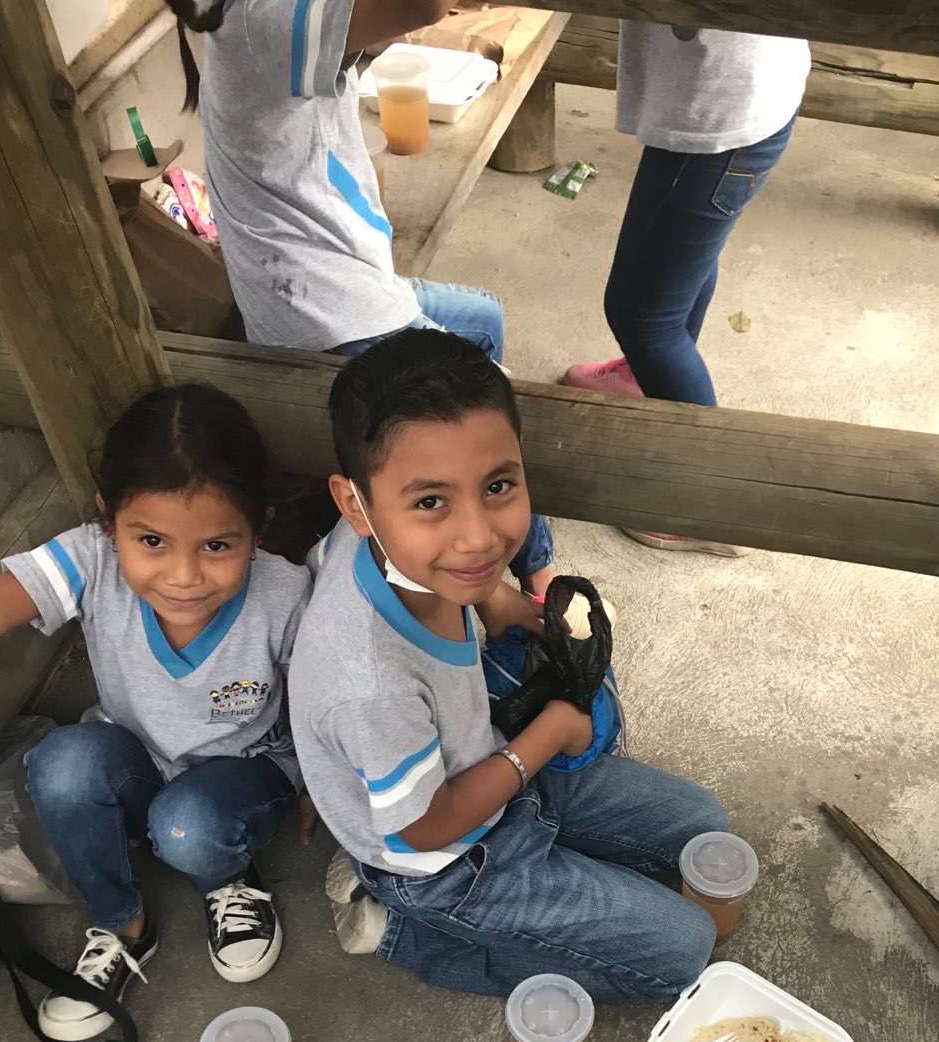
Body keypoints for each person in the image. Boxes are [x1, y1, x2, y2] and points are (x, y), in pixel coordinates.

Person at [289, 326, 732, 999]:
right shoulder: (369, 683)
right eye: (431, 502)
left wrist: (497, 597)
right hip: (442, 856)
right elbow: (428, 824)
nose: (478, 537)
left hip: (487, 760)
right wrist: (547, 737)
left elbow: (458, 560)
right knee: (683, 955)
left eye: (498, 485)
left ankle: (545, 867)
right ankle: (401, 927)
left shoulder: (380, 549)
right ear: (356, 504)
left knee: (705, 827)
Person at [163, 0, 556, 594]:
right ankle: (531, 577)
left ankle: (493, 551)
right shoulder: (259, 17)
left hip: (343, 280)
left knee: (483, 316)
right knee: (498, 400)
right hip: (328, 311)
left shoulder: (256, 23)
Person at [0, 384, 309, 1041]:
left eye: (216, 546)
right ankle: (121, 923)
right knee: (59, 766)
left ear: (256, 530)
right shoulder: (90, 560)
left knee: (188, 828)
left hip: (248, 773)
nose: (182, 576)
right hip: (138, 759)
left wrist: (327, 780)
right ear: (107, 521)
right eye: (150, 540)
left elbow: (323, 699)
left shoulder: (285, 594)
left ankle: (229, 877)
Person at [564, 26, 809, 556]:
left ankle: (706, 505)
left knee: (642, 316)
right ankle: (645, 376)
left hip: (725, 116)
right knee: (680, 261)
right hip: (722, 101)